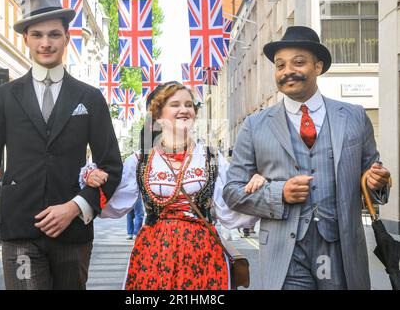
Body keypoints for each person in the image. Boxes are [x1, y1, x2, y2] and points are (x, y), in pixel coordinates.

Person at [0, 0, 122, 290]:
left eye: (54, 34)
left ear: (67, 38)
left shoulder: (90, 98)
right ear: (26, 40)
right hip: (21, 229)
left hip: (73, 233)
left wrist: (75, 206)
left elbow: (112, 167)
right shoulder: (4, 97)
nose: (46, 42)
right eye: (38, 35)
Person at [223, 26, 391, 290]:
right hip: (285, 252)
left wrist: (376, 181)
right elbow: (232, 192)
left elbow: (373, 178)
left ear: (318, 67)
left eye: (298, 62)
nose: (287, 71)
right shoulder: (255, 125)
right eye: (280, 65)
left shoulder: (355, 116)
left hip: (340, 249)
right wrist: (279, 193)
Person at [84, 81, 260, 290]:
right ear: (157, 115)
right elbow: (111, 202)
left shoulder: (211, 157)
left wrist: (255, 187)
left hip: (203, 255)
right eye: (175, 105)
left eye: (188, 104)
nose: (184, 110)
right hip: (153, 255)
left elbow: (232, 205)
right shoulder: (141, 160)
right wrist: (92, 178)